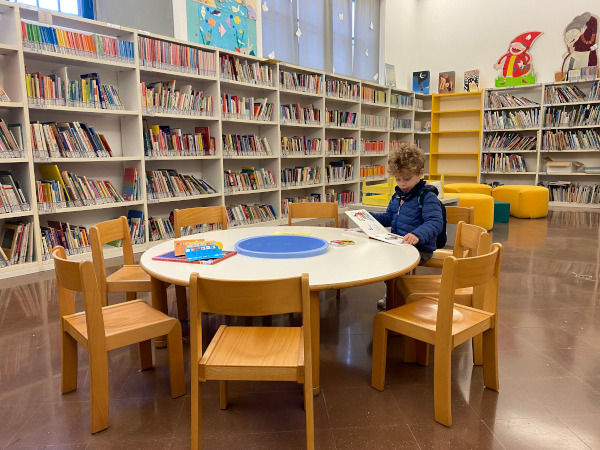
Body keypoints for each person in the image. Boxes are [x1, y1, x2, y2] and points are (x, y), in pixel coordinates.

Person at [370, 142, 444, 310]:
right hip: (400, 244)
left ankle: (394, 295)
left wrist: (418, 235)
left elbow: (435, 222)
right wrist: (368, 218)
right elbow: (389, 217)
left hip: (421, 247)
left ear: (420, 173)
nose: (402, 184)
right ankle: (394, 292)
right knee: (381, 256)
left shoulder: (427, 197)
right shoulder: (398, 196)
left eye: (407, 179)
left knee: (393, 262)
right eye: (398, 179)